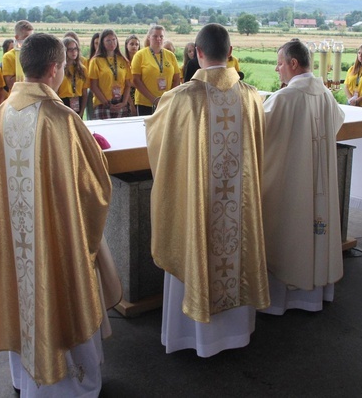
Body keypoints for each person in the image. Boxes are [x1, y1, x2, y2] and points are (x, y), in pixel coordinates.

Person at [0, 33, 115, 396]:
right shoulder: (59, 117)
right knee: (57, 295)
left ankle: (24, 379)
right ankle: (71, 386)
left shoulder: (5, 110)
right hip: (53, 238)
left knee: (22, 298)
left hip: (14, 238)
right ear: (54, 69)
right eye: (64, 66)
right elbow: (92, 187)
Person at [145, 23, 269, 357]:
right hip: (238, 209)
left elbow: (160, 145)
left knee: (195, 242)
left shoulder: (181, 99)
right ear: (230, 54)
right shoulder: (252, 96)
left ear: (198, 53)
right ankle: (237, 333)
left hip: (198, 205)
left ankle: (191, 338)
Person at [261, 39, 345, 315]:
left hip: (293, 186)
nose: (277, 69)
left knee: (288, 229)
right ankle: (314, 296)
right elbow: (336, 121)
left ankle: (279, 301)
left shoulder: (286, 97)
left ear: (293, 64)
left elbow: (258, 133)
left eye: (280, 63)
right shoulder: (325, 94)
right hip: (319, 184)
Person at [132, 25, 180, 115]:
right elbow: (136, 80)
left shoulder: (170, 55)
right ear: (149, 37)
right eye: (155, 36)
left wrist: (168, 98)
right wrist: (153, 99)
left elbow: (177, 79)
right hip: (145, 103)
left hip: (166, 102)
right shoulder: (140, 55)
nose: (158, 39)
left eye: (161, 36)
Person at [89, 29, 132, 119]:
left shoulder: (123, 60)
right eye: (108, 40)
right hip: (103, 104)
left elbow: (128, 84)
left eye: (114, 39)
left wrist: (124, 102)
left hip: (120, 103)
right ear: (102, 43)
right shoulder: (96, 61)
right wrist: (107, 104)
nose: (112, 43)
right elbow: (94, 86)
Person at [57, 36, 89, 117]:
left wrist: (82, 111)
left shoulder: (82, 69)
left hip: (78, 102)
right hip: (63, 103)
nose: (73, 52)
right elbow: (56, 92)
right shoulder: (59, 69)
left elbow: (85, 93)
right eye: (70, 49)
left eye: (75, 49)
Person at [2, 20, 34, 91]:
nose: (30, 41)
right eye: (26, 38)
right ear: (17, 37)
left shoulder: (35, 54)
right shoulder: (8, 57)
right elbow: (10, 84)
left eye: (31, 38)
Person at [124, 34, 141, 114]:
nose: (134, 46)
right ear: (126, 45)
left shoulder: (142, 61)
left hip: (140, 92)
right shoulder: (123, 62)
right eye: (131, 44)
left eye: (136, 44)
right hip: (127, 93)